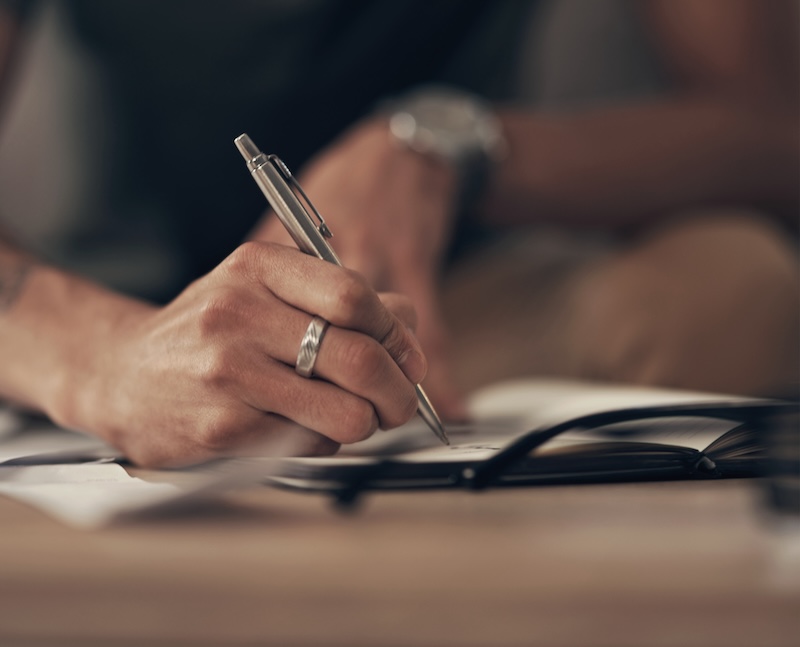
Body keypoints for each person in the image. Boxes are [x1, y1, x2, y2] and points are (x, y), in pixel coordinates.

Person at [0, 1, 797, 466]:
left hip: (444, 317)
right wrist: (103, 358)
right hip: (119, 305)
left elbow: (772, 128)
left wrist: (456, 149)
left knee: (728, 289)